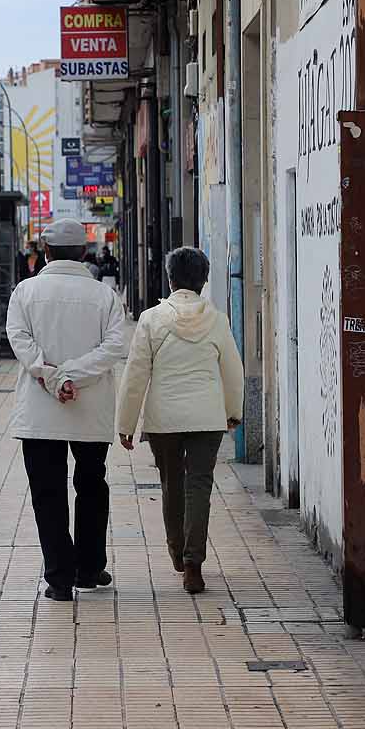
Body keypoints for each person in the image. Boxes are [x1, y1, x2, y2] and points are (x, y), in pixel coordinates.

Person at [5, 218, 129, 602]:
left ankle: (59, 579)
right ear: (84, 253)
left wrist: (53, 377)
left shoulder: (25, 292)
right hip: (90, 409)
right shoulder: (104, 296)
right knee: (91, 486)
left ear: (45, 252)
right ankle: (90, 569)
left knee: (48, 493)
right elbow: (114, 347)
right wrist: (72, 376)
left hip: (41, 412)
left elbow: (20, 341)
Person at [114, 247, 244, 594]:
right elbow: (233, 371)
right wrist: (234, 411)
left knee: (172, 485)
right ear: (203, 280)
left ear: (170, 279)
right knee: (199, 486)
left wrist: (126, 423)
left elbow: (136, 374)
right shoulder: (217, 320)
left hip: (165, 420)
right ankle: (193, 563)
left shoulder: (152, 319)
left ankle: (177, 553)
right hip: (207, 418)